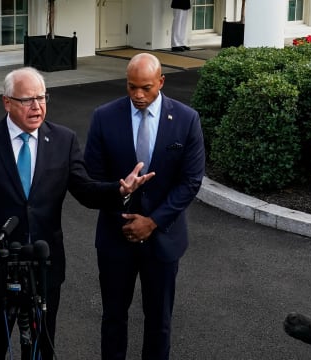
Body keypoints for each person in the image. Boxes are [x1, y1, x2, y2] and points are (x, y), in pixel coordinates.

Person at [0, 66, 153, 360]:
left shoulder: (63, 139)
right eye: (27, 100)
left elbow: (85, 190)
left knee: (41, 349)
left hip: (43, 266)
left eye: (42, 97)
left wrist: (120, 191)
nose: (36, 106)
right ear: (6, 102)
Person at [84, 53, 205, 359]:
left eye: (146, 88)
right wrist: (120, 197)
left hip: (163, 239)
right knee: (113, 319)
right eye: (132, 87)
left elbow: (190, 182)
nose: (138, 95)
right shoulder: (103, 116)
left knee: (159, 322)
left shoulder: (187, 119)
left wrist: (152, 222)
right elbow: (92, 178)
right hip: (116, 237)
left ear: (161, 82)